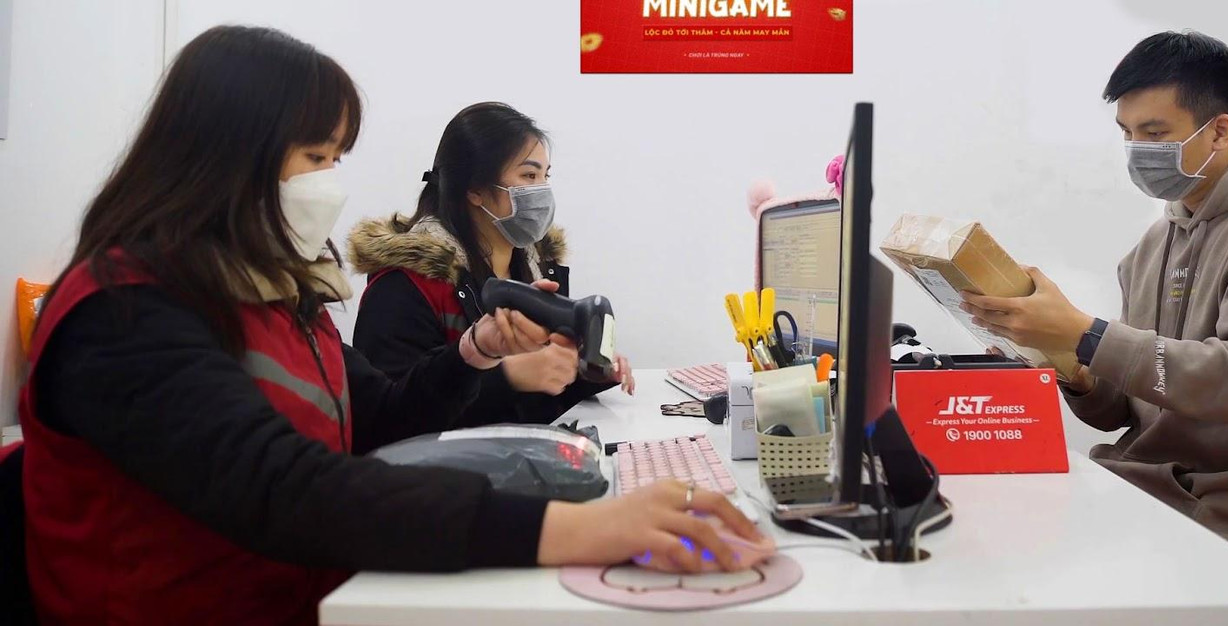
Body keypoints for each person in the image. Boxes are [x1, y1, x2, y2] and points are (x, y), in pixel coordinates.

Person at [18, 25, 758, 624]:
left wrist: (472, 353)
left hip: (324, 596)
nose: (329, 184)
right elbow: (287, 487)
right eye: (315, 156)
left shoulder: (275, 300)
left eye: (336, 158)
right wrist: (575, 530)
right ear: (224, 159)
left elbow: (380, 415)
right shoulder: (123, 314)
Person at [959, 30, 1228, 585]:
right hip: (1142, 499)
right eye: (1126, 133)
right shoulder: (1154, 244)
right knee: (979, 548)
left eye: (1154, 134)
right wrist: (1069, 365)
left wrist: (1089, 334)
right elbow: (1128, 408)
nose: (1137, 151)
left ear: (1220, 131)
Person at [348, 102, 634, 428]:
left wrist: (582, 371)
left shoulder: (538, 268)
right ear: (474, 189)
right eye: (529, 175)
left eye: (545, 176)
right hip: (446, 460)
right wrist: (507, 377)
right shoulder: (403, 285)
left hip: (522, 451)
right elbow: (391, 419)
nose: (542, 191)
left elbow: (532, 404)